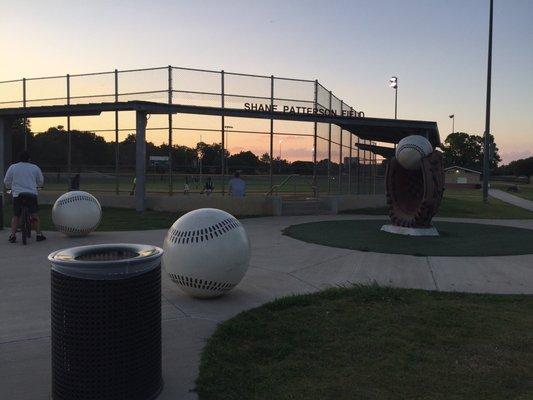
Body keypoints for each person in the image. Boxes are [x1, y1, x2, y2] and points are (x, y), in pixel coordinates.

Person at [3, 151, 46, 243]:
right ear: (29, 159)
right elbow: (40, 181)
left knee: (16, 215)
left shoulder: (13, 167)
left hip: (17, 194)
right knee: (34, 214)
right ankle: (39, 235)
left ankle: (13, 235)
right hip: (31, 194)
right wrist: (38, 186)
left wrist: (9, 187)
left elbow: (6, 181)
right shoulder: (35, 168)